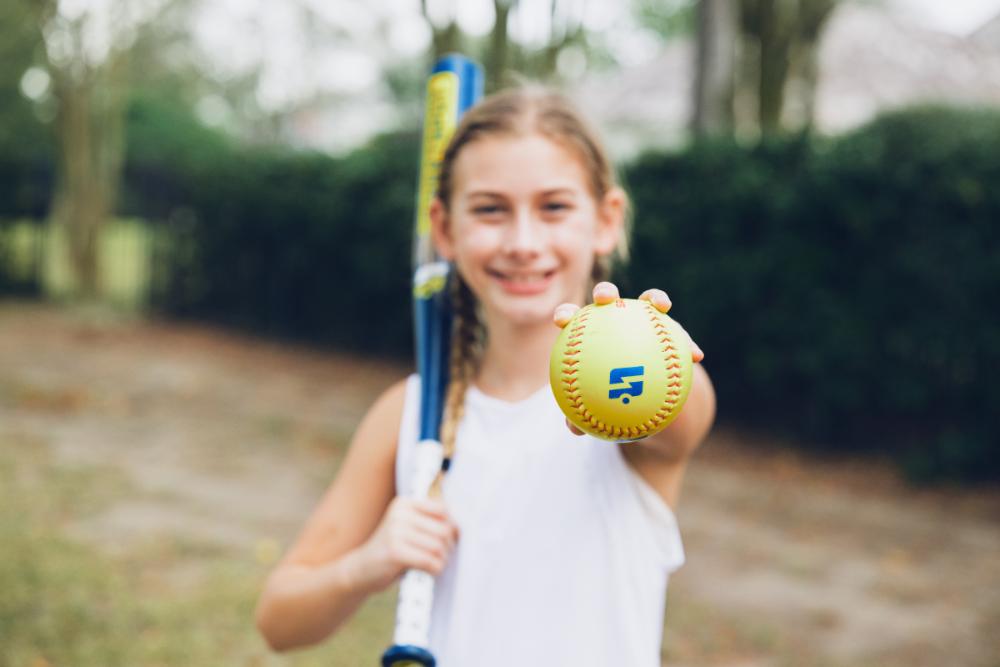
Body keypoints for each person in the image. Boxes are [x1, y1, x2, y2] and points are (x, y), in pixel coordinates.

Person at [255, 86, 716, 666]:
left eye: (554, 207)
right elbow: (279, 619)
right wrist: (366, 563)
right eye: (491, 209)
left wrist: (653, 359)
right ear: (444, 230)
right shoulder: (410, 410)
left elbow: (680, 411)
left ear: (606, 220)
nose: (523, 243)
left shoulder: (631, 402)